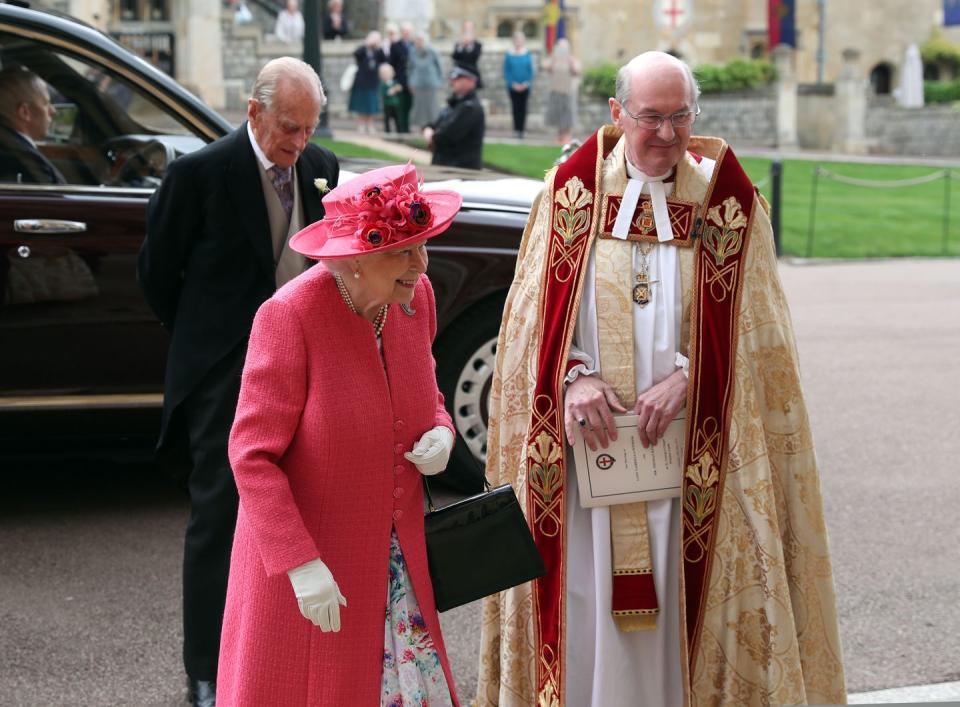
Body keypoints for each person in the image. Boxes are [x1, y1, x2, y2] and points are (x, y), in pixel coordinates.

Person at [477, 51, 846, 707]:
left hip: (691, 466)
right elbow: (532, 326)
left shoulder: (728, 205)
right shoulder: (568, 199)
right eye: (652, 118)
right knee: (587, 604)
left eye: (682, 116)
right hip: (587, 464)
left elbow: (760, 340)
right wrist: (576, 377)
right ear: (617, 114)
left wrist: (690, 376)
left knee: (687, 603)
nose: (669, 134)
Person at [217, 163, 464, 706]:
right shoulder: (289, 317)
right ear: (353, 260)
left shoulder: (413, 299)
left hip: (399, 566)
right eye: (402, 251)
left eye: (423, 246)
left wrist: (442, 433)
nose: (419, 265)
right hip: (315, 569)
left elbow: (429, 395)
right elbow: (252, 457)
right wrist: (299, 563)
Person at [137, 57, 339, 707]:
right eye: (289, 128)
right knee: (220, 516)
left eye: (309, 128)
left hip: (308, 364)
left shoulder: (320, 166)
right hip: (226, 370)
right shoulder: (197, 175)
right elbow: (156, 276)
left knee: (304, 506)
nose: (299, 143)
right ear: (254, 112)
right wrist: (215, 345)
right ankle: (204, 668)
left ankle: (278, 652)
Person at [0, 66, 64, 184]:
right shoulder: (24, 159)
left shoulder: (10, 147)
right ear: (25, 112)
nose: (53, 111)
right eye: (46, 103)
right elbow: (57, 200)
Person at [423, 64, 484, 170]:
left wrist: (432, 136)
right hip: (447, 166)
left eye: (457, 78)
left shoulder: (471, 108)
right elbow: (436, 124)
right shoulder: (456, 103)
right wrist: (428, 129)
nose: (452, 82)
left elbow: (447, 136)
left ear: (471, 81)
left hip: (460, 170)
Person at [543, 38, 581, 145]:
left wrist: (569, 60)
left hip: (568, 91)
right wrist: (554, 59)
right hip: (556, 90)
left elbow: (577, 71)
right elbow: (546, 67)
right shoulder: (553, 59)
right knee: (557, 114)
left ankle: (567, 136)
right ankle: (559, 136)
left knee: (568, 114)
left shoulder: (572, 59)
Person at [349, 31, 387, 134]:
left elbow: (384, 59)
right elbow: (356, 54)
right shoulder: (363, 50)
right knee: (361, 105)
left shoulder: (378, 51)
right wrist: (367, 44)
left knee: (371, 106)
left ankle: (370, 125)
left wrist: (378, 45)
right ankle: (361, 125)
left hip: (373, 82)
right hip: (361, 81)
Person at [407, 32, 444, 128]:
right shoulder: (413, 52)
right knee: (420, 108)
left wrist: (440, 81)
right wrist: (410, 83)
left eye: (421, 40)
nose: (419, 43)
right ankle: (422, 128)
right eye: (417, 41)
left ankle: (433, 126)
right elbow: (410, 68)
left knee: (432, 107)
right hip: (418, 84)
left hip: (431, 83)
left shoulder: (432, 51)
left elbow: (439, 67)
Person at [502, 31, 534, 138]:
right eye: (516, 39)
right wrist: (512, 83)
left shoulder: (527, 53)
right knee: (515, 108)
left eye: (520, 40)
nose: (518, 42)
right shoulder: (509, 54)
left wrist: (526, 83)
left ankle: (522, 129)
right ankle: (516, 129)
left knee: (523, 108)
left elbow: (530, 70)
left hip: (525, 86)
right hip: (513, 86)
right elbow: (507, 71)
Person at [383, 23, 411, 133]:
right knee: (400, 107)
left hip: (410, 81)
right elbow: (392, 63)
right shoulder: (395, 46)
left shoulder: (413, 45)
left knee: (408, 106)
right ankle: (401, 129)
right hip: (400, 79)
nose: (406, 34)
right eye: (405, 32)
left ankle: (407, 128)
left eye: (408, 32)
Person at [452, 20, 483, 88]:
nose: (467, 30)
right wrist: (462, 46)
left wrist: (469, 45)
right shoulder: (459, 44)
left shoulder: (477, 44)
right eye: (466, 28)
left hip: (471, 74)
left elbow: (475, 58)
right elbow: (454, 57)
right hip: (459, 75)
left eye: (469, 28)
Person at [378, 62, 403, 133]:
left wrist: (398, 88)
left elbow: (399, 88)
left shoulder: (395, 82)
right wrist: (390, 91)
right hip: (387, 104)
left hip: (395, 104)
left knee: (397, 119)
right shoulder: (382, 84)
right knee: (387, 119)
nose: (386, 75)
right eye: (384, 74)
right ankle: (387, 131)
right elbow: (383, 93)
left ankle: (399, 131)